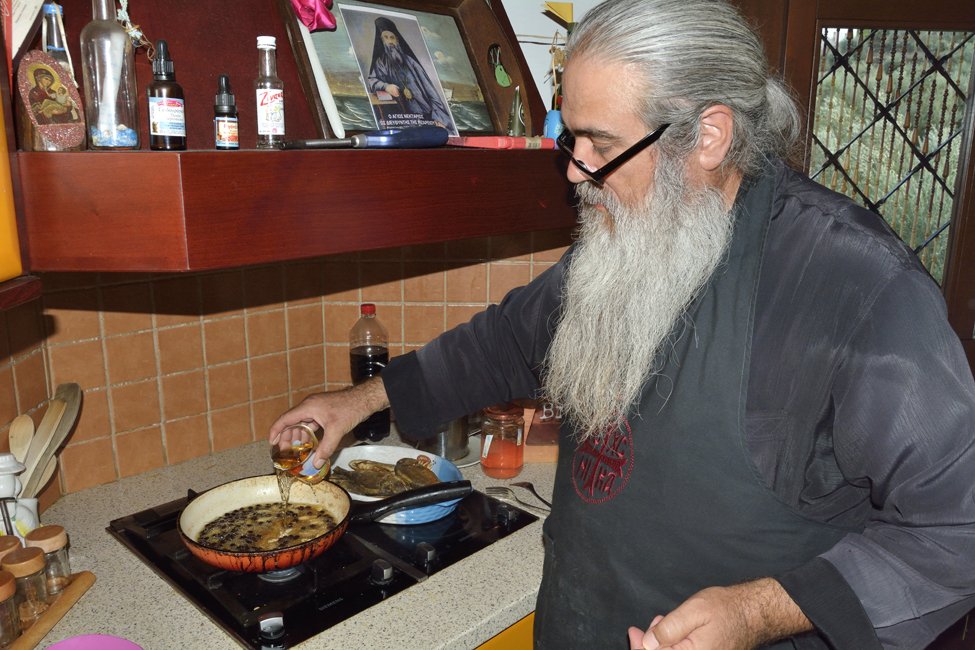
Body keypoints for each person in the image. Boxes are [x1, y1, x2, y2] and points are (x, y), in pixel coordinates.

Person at [269, 0, 975, 647]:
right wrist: (358, 401)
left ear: (708, 136)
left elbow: (957, 531)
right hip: (580, 619)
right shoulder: (632, 233)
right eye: (570, 139)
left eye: (602, 146)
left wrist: (758, 611)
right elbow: (506, 341)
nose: (576, 173)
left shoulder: (856, 287)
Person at [365, 16, 452, 128]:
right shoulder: (381, 63)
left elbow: (431, 92)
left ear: (397, 40)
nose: (390, 41)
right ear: (382, 41)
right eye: (386, 38)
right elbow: (372, 81)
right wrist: (386, 86)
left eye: (392, 38)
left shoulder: (411, 61)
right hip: (404, 118)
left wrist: (438, 118)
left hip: (427, 116)